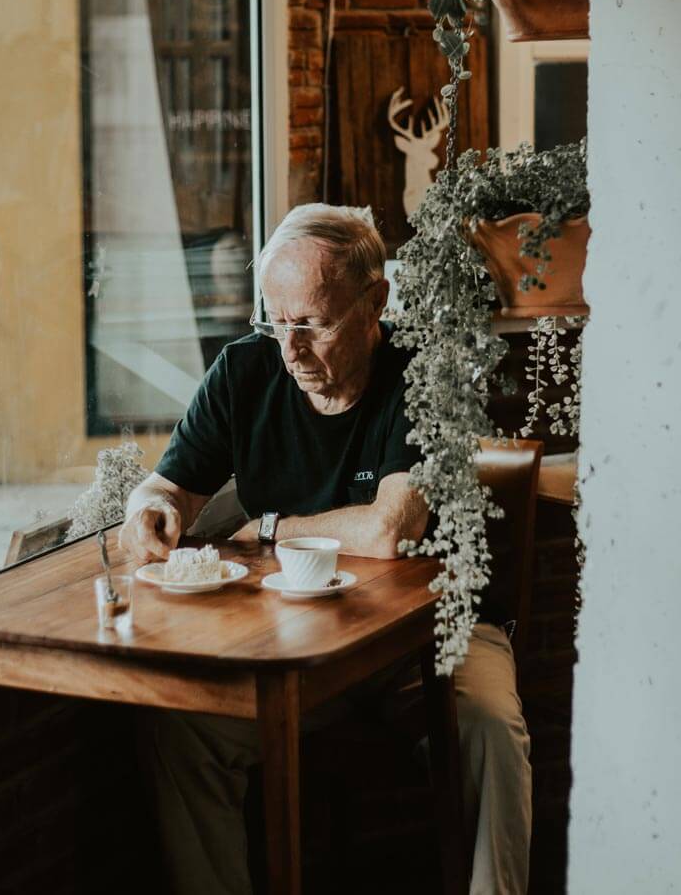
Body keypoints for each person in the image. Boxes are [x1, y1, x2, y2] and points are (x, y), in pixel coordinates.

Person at [120, 203, 532, 895]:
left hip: (431, 641)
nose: (292, 350)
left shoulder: (423, 374)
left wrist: (269, 528)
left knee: (492, 731)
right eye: (277, 323)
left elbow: (387, 531)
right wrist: (151, 510)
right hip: (301, 649)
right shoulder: (245, 372)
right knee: (182, 733)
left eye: (312, 323)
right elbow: (164, 489)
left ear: (376, 302)